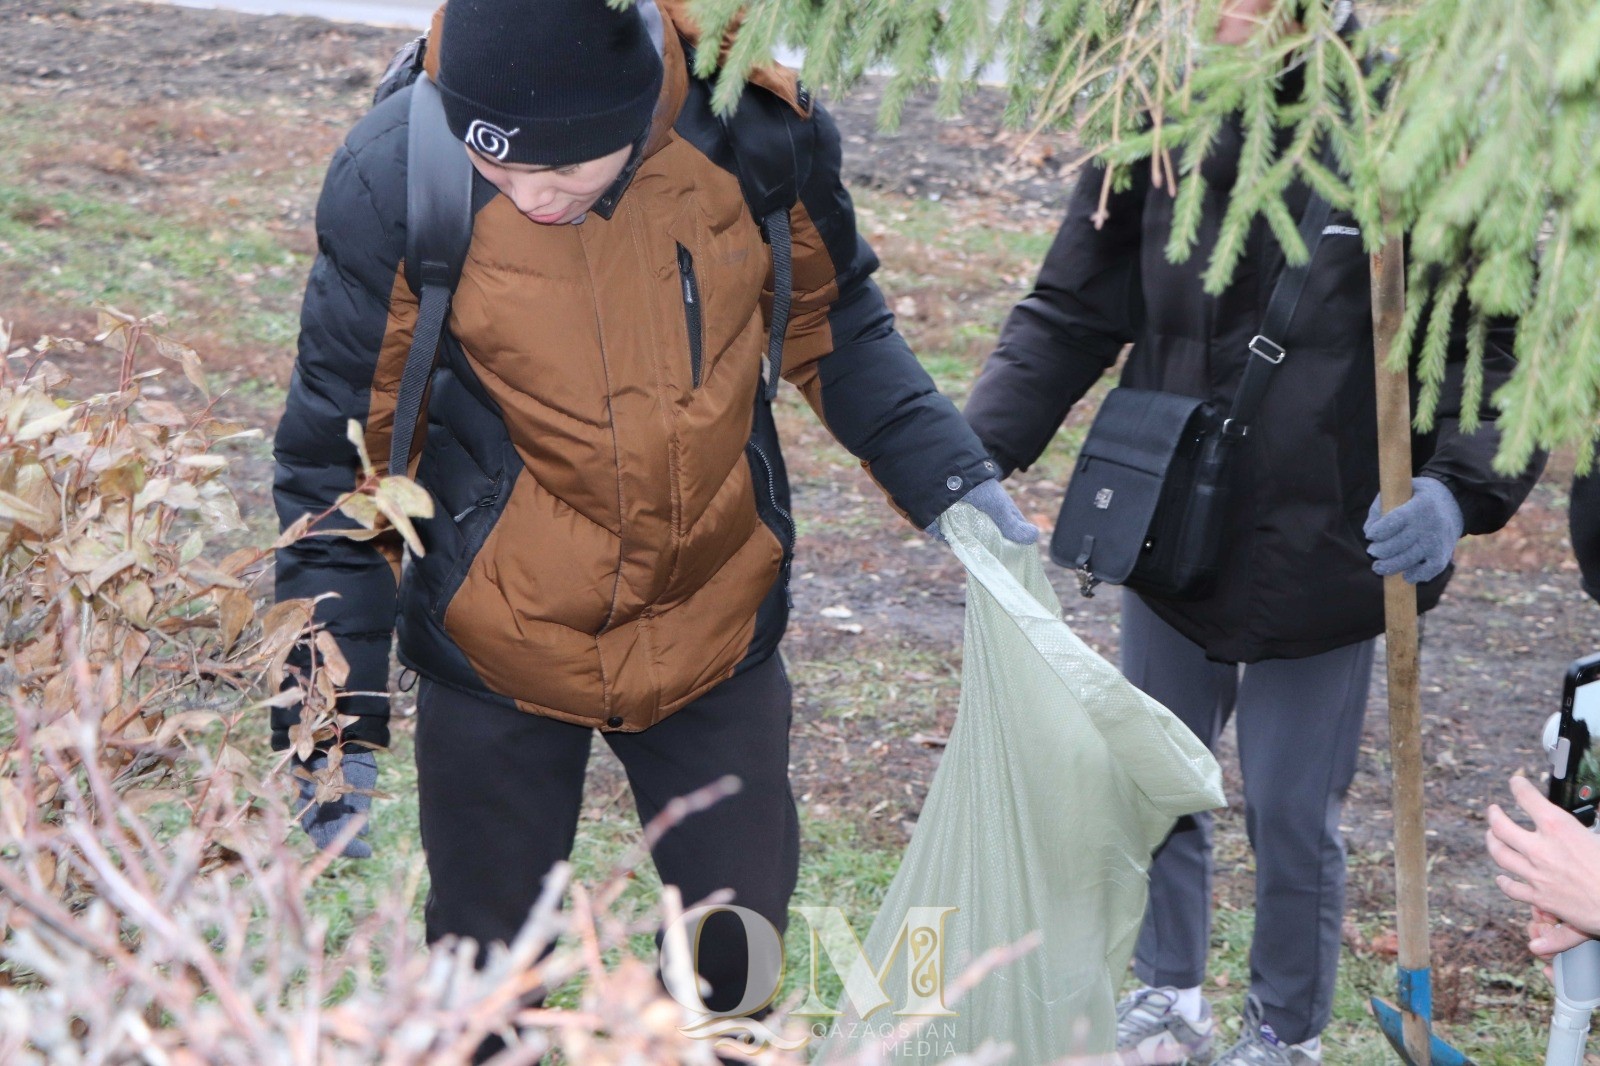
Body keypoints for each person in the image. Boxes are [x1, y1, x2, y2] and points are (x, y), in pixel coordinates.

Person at [269, 0, 1034, 1057]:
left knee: (740, 962)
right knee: (483, 983)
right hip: (498, 635)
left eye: (563, 167)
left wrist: (955, 482)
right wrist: (326, 714)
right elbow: (338, 458)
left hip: (715, 621)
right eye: (500, 167)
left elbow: (835, 318)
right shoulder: (400, 173)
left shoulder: (754, 130)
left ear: (638, 112)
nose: (530, 192)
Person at [962, 1, 1542, 1060]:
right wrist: (972, 451)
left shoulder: (1418, 130)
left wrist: (1458, 491)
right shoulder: (1154, 116)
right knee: (1154, 774)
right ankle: (1166, 995)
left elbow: (1496, 348)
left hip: (1327, 542)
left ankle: (1282, 1029)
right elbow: (1070, 307)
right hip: (1167, 516)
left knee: (1287, 808)